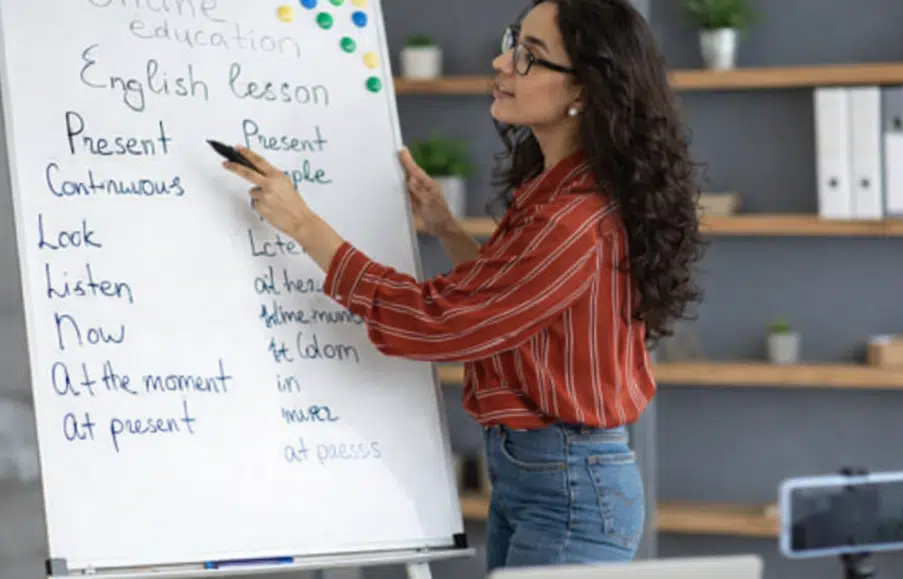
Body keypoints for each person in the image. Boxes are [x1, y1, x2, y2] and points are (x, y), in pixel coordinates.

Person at [221, 0, 702, 569]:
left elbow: (440, 324)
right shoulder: (556, 192)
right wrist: (446, 229)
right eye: (513, 42)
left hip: (569, 487)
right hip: (545, 477)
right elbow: (515, 312)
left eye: (530, 57)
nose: (502, 62)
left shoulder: (572, 217)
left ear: (585, 91)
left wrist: (303, 225)